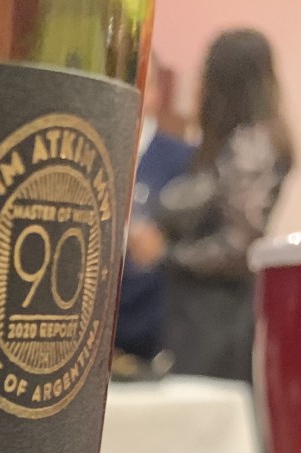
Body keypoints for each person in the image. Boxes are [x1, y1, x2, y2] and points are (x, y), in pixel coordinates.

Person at [129, 28, 294, 382]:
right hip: (199, 314)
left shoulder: (252, 148)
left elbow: (238, 247)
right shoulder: (234, 144)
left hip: (215, 320)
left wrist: (164, 254)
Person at [116, 57, 195, 362]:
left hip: (150, 326)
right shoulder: (85, 147)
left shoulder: (185, 158)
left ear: (157, 92)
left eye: (143, 83)